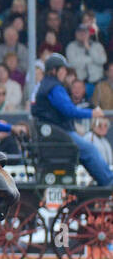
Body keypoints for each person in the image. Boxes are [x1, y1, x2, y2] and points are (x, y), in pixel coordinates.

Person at [29, 53, 113, 185]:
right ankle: (108, 182)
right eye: (62, 70)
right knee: (89, 150)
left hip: (52, 133)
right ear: (54, 70)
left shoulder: (44, 85)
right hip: (59, 134)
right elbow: (69, 111)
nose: (65, 73)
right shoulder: (55, 87)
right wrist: (92, 113)